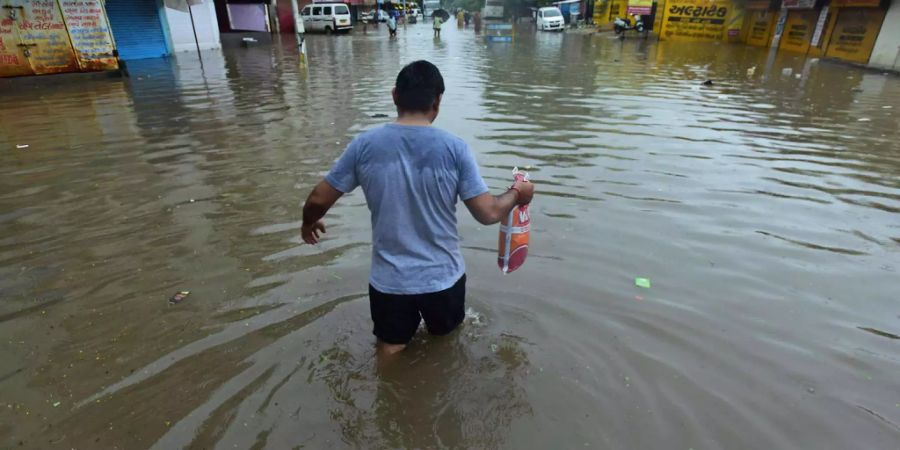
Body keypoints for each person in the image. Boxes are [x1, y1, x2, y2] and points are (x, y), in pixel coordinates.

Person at [300, 61, 535, 355]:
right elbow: (488, 213)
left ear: (395, 95)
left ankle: (390, 398)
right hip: (443, 280)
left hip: (390, 283)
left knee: (389, 352)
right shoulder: (455, 148)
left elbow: (318, 201)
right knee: (447, 350)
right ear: (437, 102)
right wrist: (518, 192)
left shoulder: (364, 146)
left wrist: (308, 222)